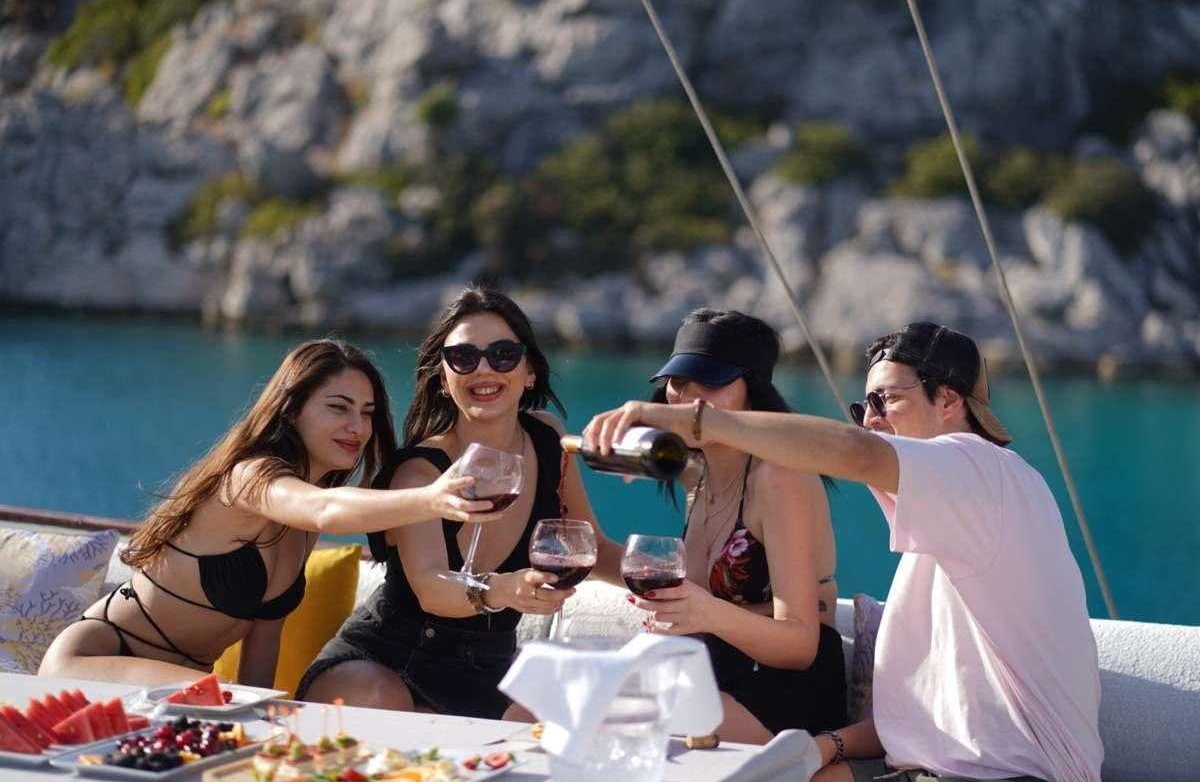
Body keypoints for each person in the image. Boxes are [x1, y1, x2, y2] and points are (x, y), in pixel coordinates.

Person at [584, 322, 1103, 782]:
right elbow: (930, 712)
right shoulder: (952, 534)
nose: (871, 421)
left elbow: (855, 453)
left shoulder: (981, 471)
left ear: (948, 400)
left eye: (886, 401)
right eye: (863, 407)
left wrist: (695, 421)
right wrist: (825, 746)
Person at [39, 339, 498, 687]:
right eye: (338, 408)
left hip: (193, 687)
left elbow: (263, 642)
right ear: (292, 410)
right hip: (90, 662)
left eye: (367, 412)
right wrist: (431, 498)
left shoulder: (303, 515)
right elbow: (324, 511)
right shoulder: (249, 479)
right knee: (216, 699)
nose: (357, 428)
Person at [297, 286, 625, 718]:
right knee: (389, 706)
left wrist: (678, 588)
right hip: (386, 663)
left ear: (529, 371)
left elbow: (590, 548)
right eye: (464, 358)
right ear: (443, 378)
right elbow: (433, 587)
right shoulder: (419, 471)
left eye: (503, 354)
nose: (484, 369)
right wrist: (504, 590)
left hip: (487, 672)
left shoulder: (548, 440)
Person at [634, 309, 846, 744]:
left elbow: (800, 645)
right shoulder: (698, 472)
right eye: (679, 382)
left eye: (711, 382)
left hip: (785, 686)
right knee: (554, 715)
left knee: (635, 740)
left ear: (755, 390)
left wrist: (703, 611)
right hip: (714, 666)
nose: (690, 399)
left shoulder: (780, 476)